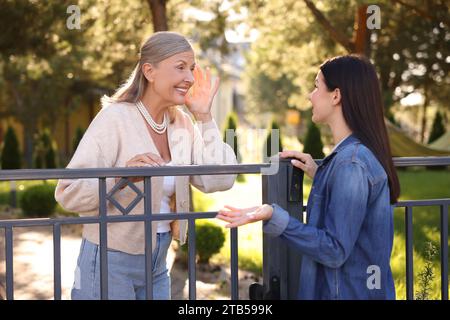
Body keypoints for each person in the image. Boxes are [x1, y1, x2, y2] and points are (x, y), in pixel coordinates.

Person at [55, 31, 237, 300]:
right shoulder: (115, 119)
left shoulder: (182, 124)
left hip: (158, 260)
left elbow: (220, 179)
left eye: (192, 69)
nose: (189, 78)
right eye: (180, 68)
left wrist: (204, 116)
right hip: (109, 261)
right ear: (149, 71)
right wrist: (120, 176)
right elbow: (67, 192)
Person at [217, 55, 400, 300]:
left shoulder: (351, 162)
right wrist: (320, 174)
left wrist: (274, 215)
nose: (310, 95)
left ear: (336, 96)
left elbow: (334, 250)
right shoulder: (351, 158)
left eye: (316, 86)